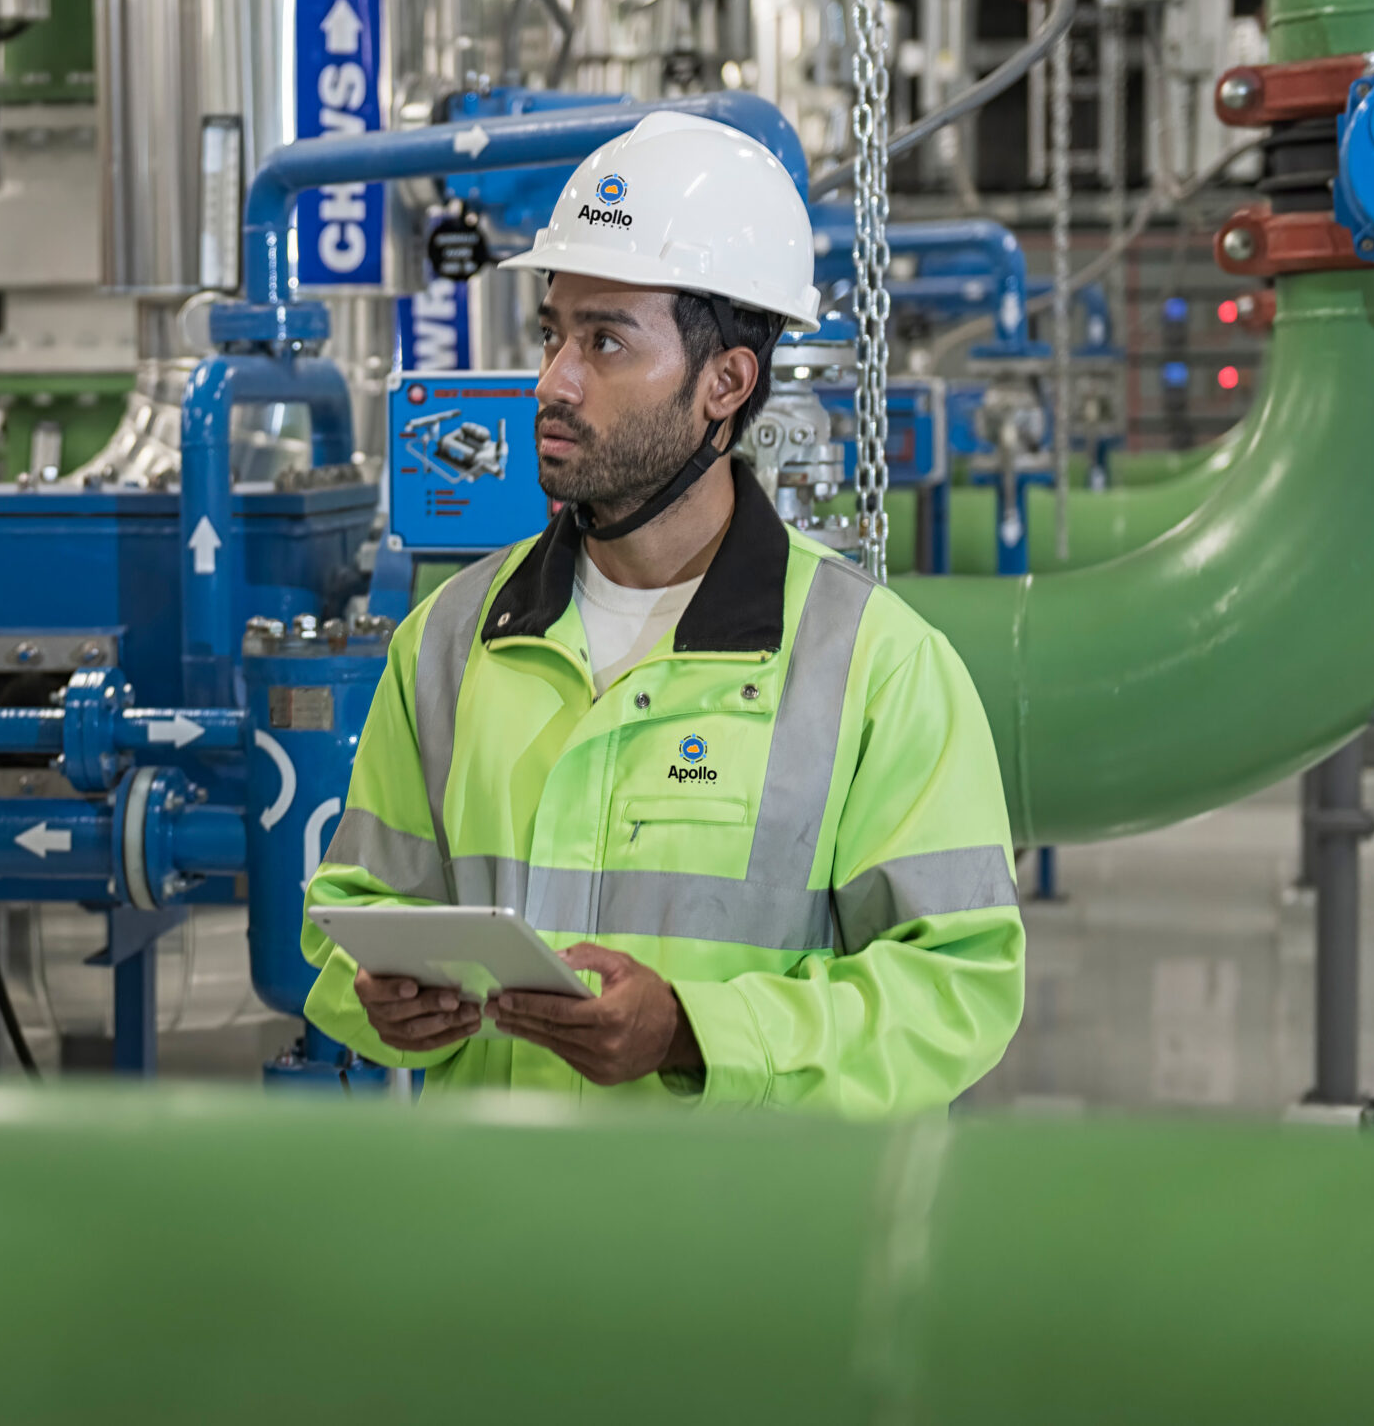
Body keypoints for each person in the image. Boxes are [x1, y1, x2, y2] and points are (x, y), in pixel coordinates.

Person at [300, 112, 1023, 1115]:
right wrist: (371, 998)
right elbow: (350, 912)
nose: (552, 381)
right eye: (553, 334)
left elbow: (957, 989)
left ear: (725, 382)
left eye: (605, 342)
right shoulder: (452, 639)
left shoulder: (874, 665)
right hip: (492, 1236)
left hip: (724, 1250)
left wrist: (693, 1032)